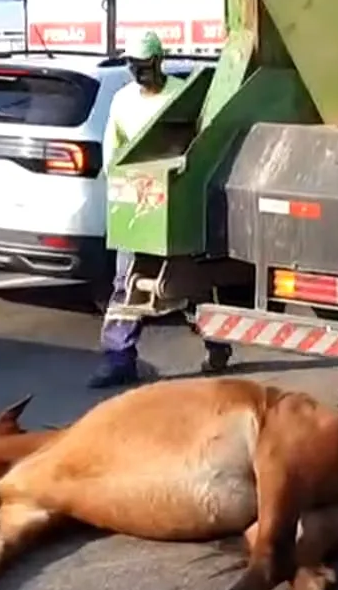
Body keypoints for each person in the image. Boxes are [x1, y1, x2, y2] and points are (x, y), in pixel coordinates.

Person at [89, 30, 232, 389]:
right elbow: (113, 150)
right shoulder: (122, 100)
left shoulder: (179, 97)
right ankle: (118, 360)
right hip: (137, 205)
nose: (138, 74)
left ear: (159, 61)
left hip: (174, 200)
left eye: (144, 66)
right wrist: (119, 187)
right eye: (132, 66)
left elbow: (197, 145)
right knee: (126, 284)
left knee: (187, 285)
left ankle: (216, 344)